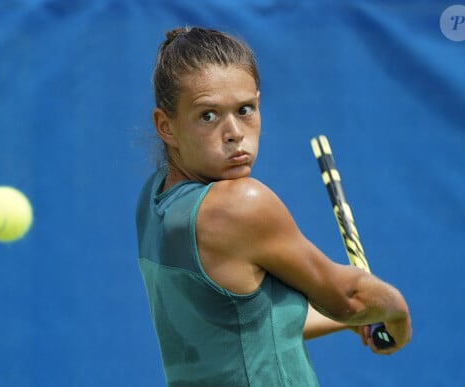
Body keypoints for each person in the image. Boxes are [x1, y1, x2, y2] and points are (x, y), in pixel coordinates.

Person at [136, 26, 411, 387]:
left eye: (245, 109)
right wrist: (396, 313)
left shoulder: (152, 201)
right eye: (208, 115)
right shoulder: (238, 204)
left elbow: (252, 325)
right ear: (165, 126)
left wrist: (350, 317)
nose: (234, 132)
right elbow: (349, 296)